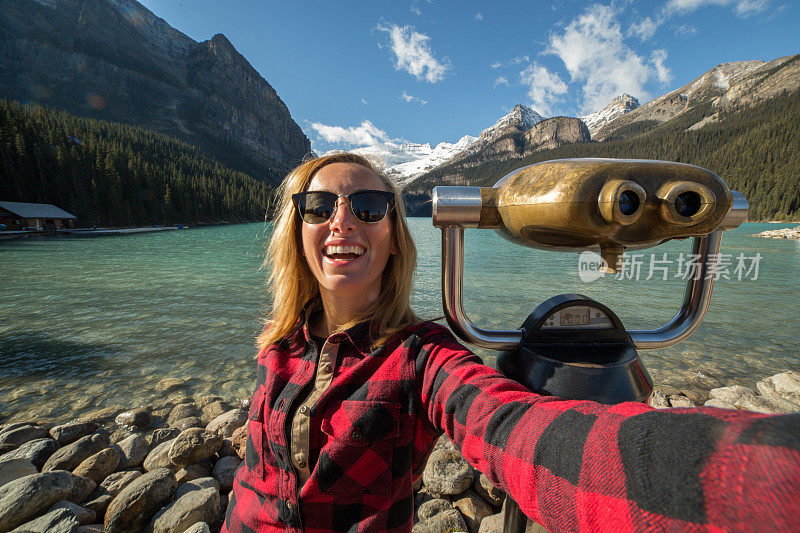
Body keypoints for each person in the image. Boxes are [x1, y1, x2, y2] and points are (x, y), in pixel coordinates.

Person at [223, 152, 800, 533]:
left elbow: (511, 428)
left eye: (369, 207)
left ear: (396, 239)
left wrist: (746, 476)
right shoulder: (279, 346)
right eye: (319, 207)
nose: (342, 221)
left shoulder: (419, 357)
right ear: (295, 231)